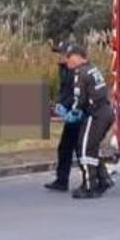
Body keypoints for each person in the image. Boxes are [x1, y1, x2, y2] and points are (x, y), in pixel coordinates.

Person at [64, 44, 115, 199]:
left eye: (69, 58)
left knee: (84, 148)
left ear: (77, 57)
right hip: (105, 111)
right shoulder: (93, 68)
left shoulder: (81, 73)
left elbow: (79, 99)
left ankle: (89, 186)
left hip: (96, 115)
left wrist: (71, 113)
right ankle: (104, 179)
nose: (67, 62)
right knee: (91, 147)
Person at [44, 43, 82, 192]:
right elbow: (64, 90)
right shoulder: (64, 69)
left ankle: (97, 179)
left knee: (82, 149)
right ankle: (62, 181)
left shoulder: (77, 71)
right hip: (69, 112)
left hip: (79, 113)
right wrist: (59, 105)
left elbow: (77, 93)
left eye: (61, 54)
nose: (59, 57)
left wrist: (67, 108)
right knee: (65, 148)